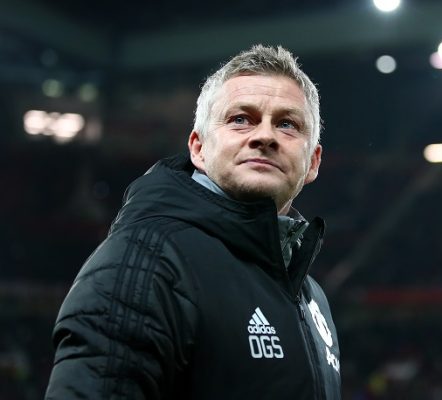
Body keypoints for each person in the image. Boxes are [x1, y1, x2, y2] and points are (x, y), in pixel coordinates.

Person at [45, 45, 341, 399]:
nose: (265, 136)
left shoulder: (312, 297)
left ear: (313, 163)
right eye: (240, 119)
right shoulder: (146, 259)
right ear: (198, 149)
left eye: (287, 124)